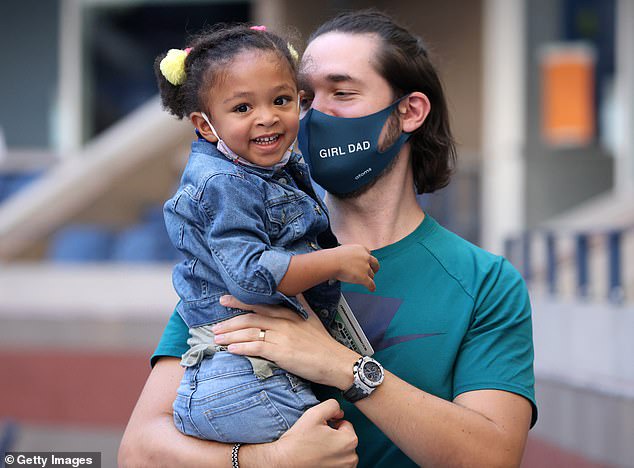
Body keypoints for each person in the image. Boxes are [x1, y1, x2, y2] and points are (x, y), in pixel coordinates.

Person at [120, 9, 537, 467]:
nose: (313, 113)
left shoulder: (485, 282)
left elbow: (493, 458)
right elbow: (140, 452)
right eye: (303, 96)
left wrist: (341, 366)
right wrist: (267, 460)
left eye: (341, 92)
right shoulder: (234, 255)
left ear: (410, 111)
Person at [154, 24, 379, 444]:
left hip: (254, 371)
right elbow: (251, 277)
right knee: (333, 447)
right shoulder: (223, 182)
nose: (267, 116)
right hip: (247, 378)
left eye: (281, 100)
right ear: (205, 125)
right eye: (242, 108)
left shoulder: (266, 170)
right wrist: (336, 260)